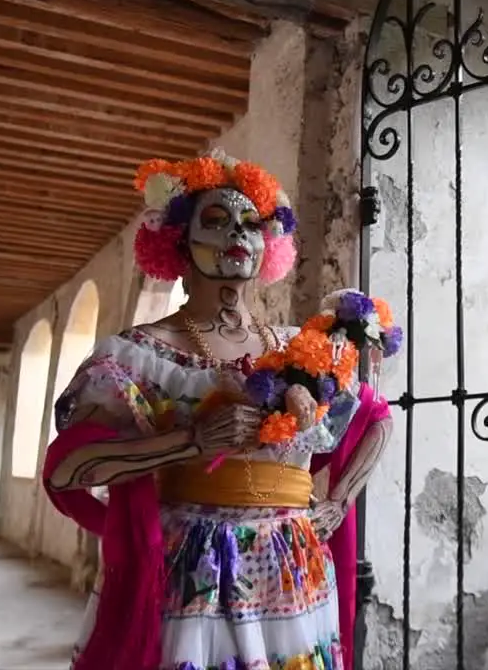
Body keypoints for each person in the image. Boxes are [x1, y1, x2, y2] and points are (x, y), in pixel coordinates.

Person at [42, 150, 392, 670]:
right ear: (177, 242)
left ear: (268, 243)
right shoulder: (138, 355)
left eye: (252, 225)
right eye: (216, 220)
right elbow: (69, 471)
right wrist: (191, 442)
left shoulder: (302, 348)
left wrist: (338, 502)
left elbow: (375, 417)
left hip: (294, 568)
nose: (238, 236)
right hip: (191, 567)